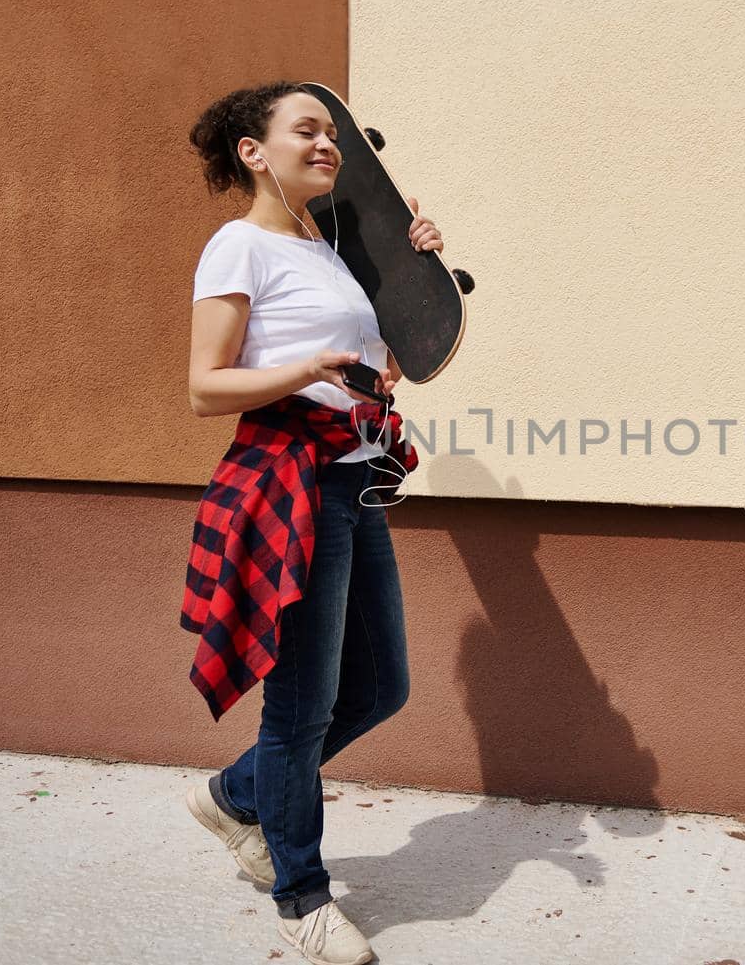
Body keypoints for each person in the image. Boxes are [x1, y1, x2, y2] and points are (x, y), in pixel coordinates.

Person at [178, 80, 444, 965]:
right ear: (255, 152)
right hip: (291, 488)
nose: (328, 144)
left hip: (352, 478)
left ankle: (234, 794)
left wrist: (416, 271)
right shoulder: (239, 246)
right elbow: (203, 386)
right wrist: (304, 369)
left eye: (332, 133)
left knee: (383, 686)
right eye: (308, 131)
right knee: (300, 713)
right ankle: (303, 904)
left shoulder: (327, 248)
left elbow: (382, 368)